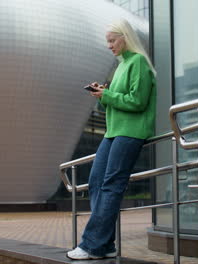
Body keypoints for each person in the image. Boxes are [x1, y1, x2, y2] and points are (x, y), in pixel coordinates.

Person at [66, 18, 156, 260]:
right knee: (96, 182)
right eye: (107, 41)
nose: (109, 45)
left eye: (112, 40)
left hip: (130, 132)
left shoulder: (137, 63)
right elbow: (116, 103)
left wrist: (109, 95)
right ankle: (105, 245)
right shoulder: (121, 66)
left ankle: (92, 245)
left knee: (111, 185)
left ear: (125, 38)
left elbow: (137, 102)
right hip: (113, 131)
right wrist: (104, 95)